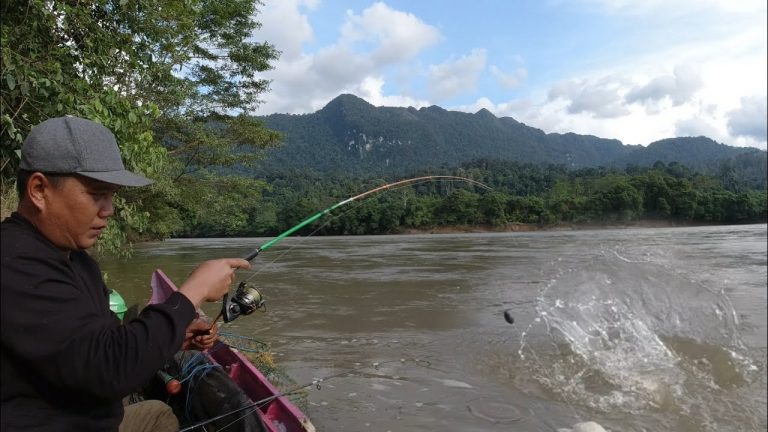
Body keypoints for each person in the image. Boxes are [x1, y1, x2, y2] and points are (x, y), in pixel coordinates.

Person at [1, 116, 251, 431]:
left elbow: (101, 341)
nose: (108, 210)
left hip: (90, 414)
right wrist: (194, 290)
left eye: (112, 195)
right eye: (96, 194)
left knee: (158, 415)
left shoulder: (77, 260)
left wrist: (173, 337)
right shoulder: (13, 262)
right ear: (39, 189)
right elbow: (109, 369)